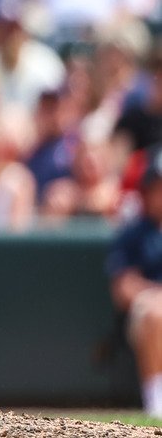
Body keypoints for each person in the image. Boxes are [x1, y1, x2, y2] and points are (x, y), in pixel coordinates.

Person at [107, 147, 162, 418]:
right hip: (146, 314)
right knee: (155, 313)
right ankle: (157, 403)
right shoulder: (134, 232)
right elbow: (123, 288)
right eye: (158, 187)